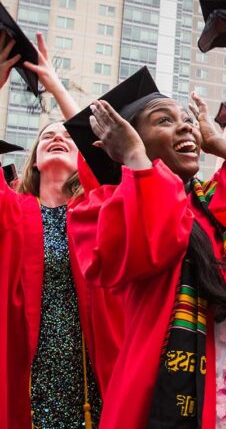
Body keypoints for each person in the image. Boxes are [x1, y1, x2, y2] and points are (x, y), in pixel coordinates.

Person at [66, 68, 226, 429]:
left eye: (187, 120)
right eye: (164, 120)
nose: (185, 127)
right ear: (127, 140)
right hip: (163, 399)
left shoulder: (221, 205)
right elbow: (154, 244)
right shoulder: (103, 208)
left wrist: (219, 144)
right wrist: (136, 160)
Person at [0, 30, 121, 429]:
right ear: (33, 161)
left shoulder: (94, 211)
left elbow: (105, 157)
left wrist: (54, 85)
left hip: (89, 375)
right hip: (26, 372)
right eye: (47, 136)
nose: (56, 137)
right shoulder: (14, 211)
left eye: (67, 137)